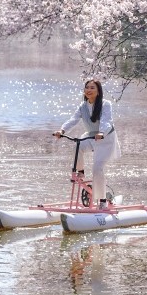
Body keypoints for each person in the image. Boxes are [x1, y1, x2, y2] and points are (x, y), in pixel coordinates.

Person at [53, 79, 121, 209]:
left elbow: (106, 121)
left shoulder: (105, 104)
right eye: (87, 87)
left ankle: (102, 201)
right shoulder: (83, 106)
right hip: (91, 136)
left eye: (92, 88)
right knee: (78, 145)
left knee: (97, 168)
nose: (89, 90)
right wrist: (62, 130)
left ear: (98, 91)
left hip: (105, 139)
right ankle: (81, 171)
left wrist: (102, 132)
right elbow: (73, 119)